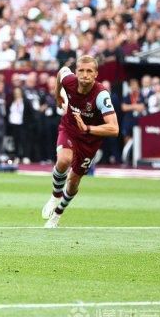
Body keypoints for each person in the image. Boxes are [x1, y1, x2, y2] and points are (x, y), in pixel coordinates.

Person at [41, 55, 119, 228]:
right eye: (81, 71)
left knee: (74, 180)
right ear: (76, 72)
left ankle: (58, 214)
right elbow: (61, 72)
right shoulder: (69, 81)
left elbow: (114, 129)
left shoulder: (101, 96)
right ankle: (55, 196)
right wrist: (57, 96)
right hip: (69, 128)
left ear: (96, 74)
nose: (85, 74)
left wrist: (88, 129)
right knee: (63, 160)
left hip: (90, 140)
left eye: (89, 71)